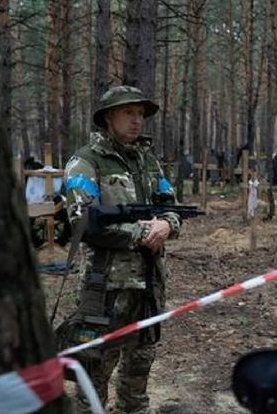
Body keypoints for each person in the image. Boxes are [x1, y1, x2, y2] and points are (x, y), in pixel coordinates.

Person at [62, 85, 181, 414]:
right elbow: (82, 221)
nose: (137, 120)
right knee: (94, 372)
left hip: (149, 283)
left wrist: (167, 225)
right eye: (129, 112)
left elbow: (170, 206)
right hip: (105, 287)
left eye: (140, 114)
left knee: (139, 368)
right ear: (108, 118)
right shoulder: (85, 162)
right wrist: (140, 233)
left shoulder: (148, 161)